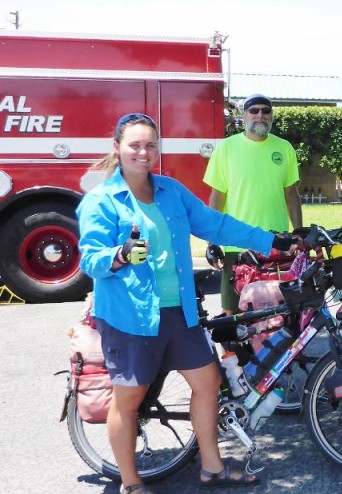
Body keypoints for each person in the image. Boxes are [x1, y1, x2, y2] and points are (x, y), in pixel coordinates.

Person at [77, 113, 297, 493]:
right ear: (118, 148)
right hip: (130, 315)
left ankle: (212, 468)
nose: (143, 152)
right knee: (129, 399)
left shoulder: (170, 191)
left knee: (208, 382)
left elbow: (217, 224)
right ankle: (131, 483)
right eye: (134, 145)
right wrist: (120, 254)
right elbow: (89, 260)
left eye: (150, 145)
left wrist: (271, 241)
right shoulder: (101, 201)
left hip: (179, 309)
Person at [203, 93, 302, 315]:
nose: (260, 115)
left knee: (277, 311)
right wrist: (212, 241)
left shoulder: (284, 148)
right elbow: (217, 196)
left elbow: (291, 194)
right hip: (236, 244)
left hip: (275, 244)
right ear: (244, 115)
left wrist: (298, 233)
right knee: (233, 313)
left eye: (266, 111)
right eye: (254, 110)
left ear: (272, 115)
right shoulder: (226, 148)